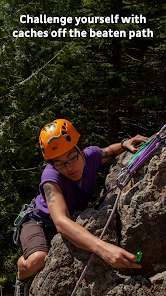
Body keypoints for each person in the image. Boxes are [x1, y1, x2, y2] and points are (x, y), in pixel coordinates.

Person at [14, 119, 148, 296]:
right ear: (52, 164)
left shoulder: (90, 156)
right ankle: (20, 275)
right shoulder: (51, 177)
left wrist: (124, 144)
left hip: (66, 218)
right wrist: (103, 249)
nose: (69, 167)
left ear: (81, 149)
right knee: (37, 260)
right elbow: (61, 222)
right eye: (59, 163)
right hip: (39, 221)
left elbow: (107, 152)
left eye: (72, 157)